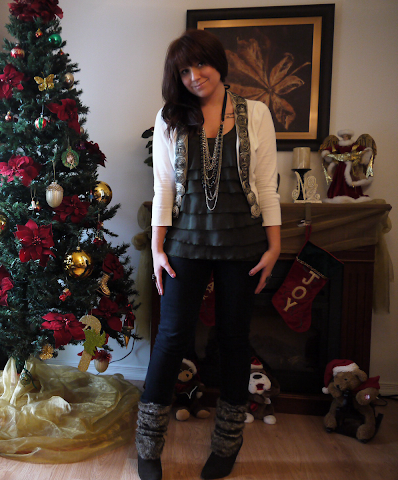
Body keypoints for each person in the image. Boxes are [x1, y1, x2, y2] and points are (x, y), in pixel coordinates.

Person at [136, 30, 281, 480]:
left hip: (243, 242)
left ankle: (227, 443)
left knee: (234, 339)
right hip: (185, 242)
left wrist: (276, 245)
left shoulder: (256, 114)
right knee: (171, 339)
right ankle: (148, 446)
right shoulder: (170, 117)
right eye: (184, 70)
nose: (194, 76)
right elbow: (163, 187)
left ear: (219, 63)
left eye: (201, 65)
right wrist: (157, 247)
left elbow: (267, 184)